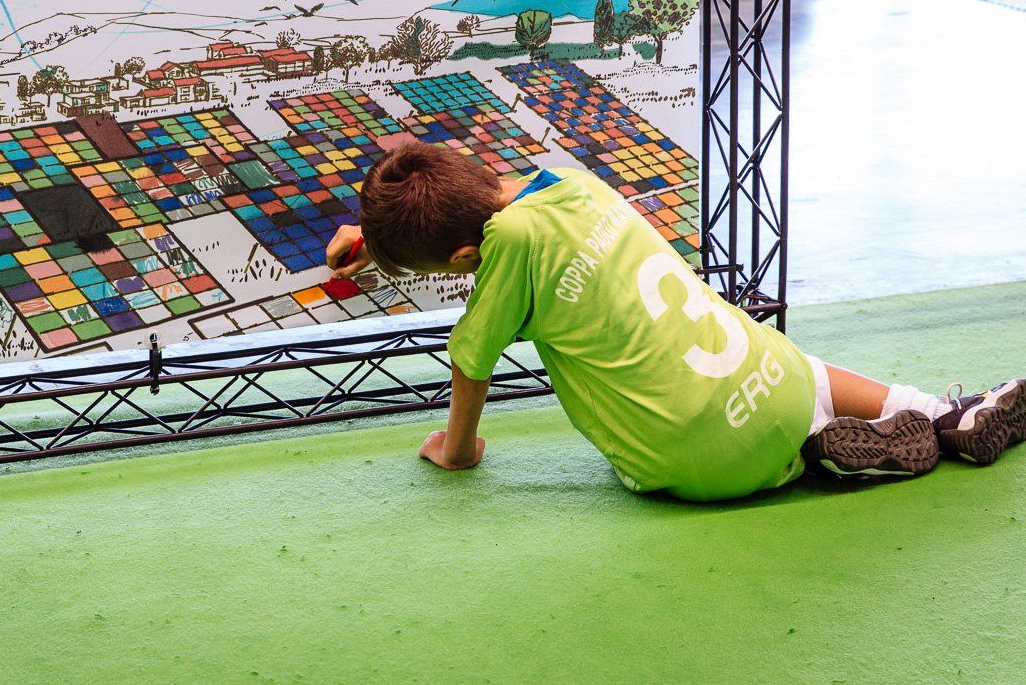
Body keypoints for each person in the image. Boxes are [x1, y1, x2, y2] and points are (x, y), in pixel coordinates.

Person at [325, 142, 1024, 501]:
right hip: (771, 385)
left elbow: (471, 360)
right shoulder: (570, 182)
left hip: (690, 465)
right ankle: (941, 412)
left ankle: (819, 458)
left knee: (702, 433)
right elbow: (482, 199)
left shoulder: (506, 249)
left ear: (464, 256)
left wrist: (457, 451)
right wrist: (381, 241)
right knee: (797, 368)